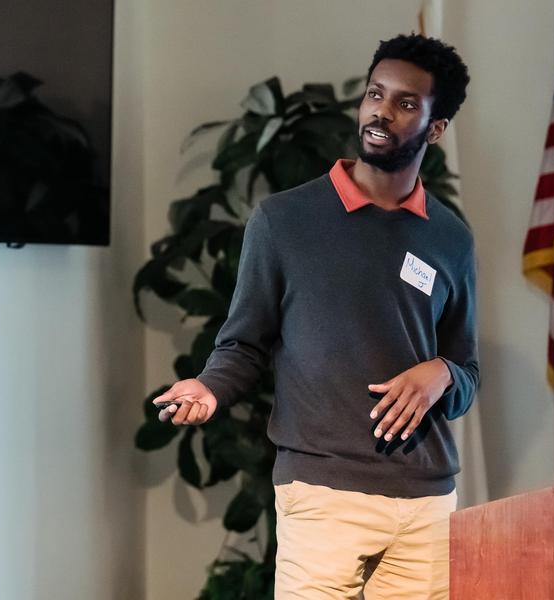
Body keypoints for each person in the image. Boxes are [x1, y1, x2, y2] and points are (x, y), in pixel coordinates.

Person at [154, 34, 476, 599]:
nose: (381, 110)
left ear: (436, 128)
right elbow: (244, 344)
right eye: (375, 93)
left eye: (405, 103)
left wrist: (443, 374)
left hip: (426, 503)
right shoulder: (284, 221)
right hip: (323, 494)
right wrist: (210, 387)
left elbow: (467, 371)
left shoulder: (451, 238)